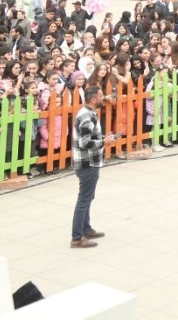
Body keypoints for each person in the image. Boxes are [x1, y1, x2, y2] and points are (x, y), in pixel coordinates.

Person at [71, 85, 115, 249]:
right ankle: (76, 237)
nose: (103, 97)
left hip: (90, 161)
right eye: (101, 95)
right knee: (84, 199)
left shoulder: (89, 114)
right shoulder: (87, 117)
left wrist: (103, 137)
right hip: (87, 163)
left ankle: (86, 228)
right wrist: (104, 142)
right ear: (94, 99)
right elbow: (84, 143)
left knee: (88, 197)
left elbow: (88, 137)